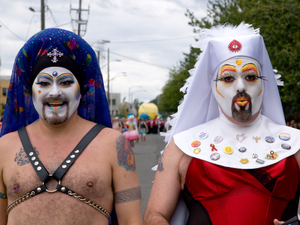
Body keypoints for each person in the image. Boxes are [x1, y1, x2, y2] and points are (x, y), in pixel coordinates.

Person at [144, 23, 300, 225]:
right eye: (228, 78)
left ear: (263, 82)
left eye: (251, 76)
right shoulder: (183, 147)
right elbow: (154, 215)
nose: (241, 87)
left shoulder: (295, 145)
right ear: (213, 85)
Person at [0, 28, 142, 225]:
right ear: (30, 90)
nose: (55, 92)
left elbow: (131, 222)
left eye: (66, 82)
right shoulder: (4, 148)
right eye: (44, 83)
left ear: (81, 89)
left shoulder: (114, 145)